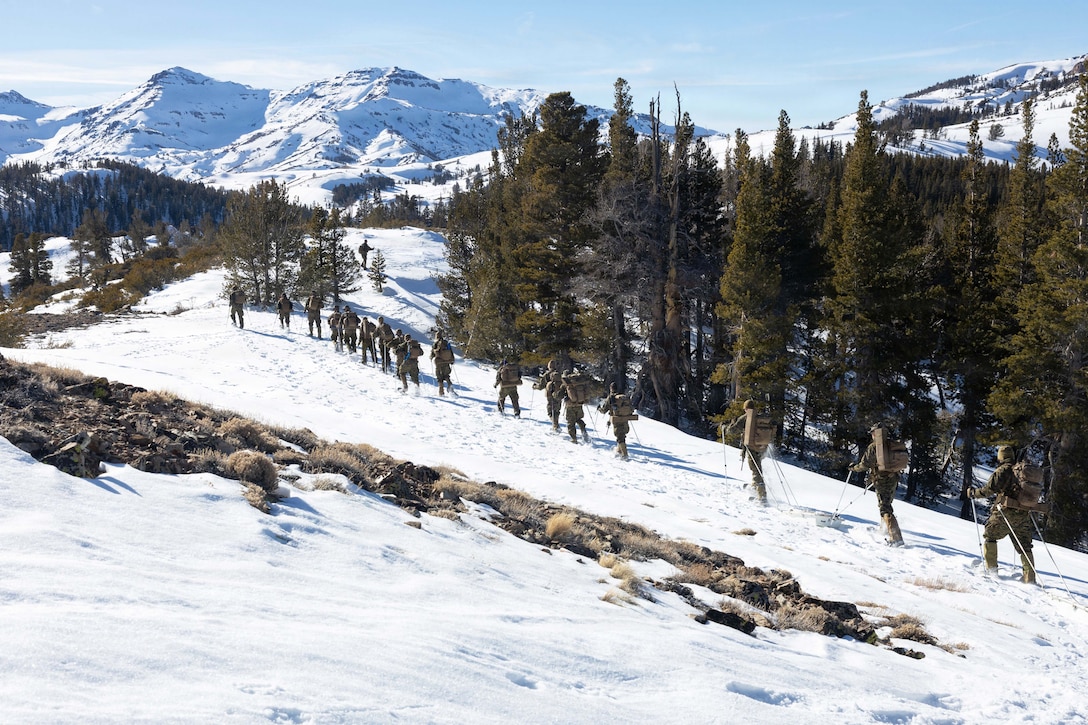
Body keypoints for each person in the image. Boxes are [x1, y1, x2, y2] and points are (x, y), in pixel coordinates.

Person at [968, 445, 1037, 583]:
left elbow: (989, 489)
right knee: (1024, 546)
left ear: (1001, 456)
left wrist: (973, 493)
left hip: (1005, 512)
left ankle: (991, 570)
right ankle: (1029, 578)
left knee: (990, 535)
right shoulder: (1022, 471)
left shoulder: (1003, 470)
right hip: (1023, 513)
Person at [851, 422, 904, 546]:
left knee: (885, 508)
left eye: (872, 433)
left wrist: (854, 468)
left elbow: (865, 464)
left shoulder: (874, 446)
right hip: (893, 478)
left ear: (875, 433)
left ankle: (896, 538)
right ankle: (884, 530)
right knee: (887, 503)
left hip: (881, 480)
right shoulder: (891, 443)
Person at [725, 399, 768, 504]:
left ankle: (762, 496)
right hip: (762, 447)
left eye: (745, 408)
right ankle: (754, 488)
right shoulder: (760, 417)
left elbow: (732, 431)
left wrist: (727, 426)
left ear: (746, 408)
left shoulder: (746, 418)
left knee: (755, 471)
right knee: (757, 468)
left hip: (751, 447)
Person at [598, 383, 634, 459]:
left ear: (611, 388)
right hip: (625, 419)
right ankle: (619, 451)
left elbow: (604, 410)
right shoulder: (623, 397)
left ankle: (625, 455)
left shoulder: (611, 398)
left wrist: (599, 409)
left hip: (617, 420)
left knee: (620, 437)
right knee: (622, 436)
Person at [562, 371, 589, 443]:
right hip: (579, 405)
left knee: (571, 423)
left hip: (570, 406)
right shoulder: (579, 383)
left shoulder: (566, 384)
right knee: (579, 419)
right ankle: (584, 432)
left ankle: (574, 438)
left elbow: (559, 395)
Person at [431, 331, 455, 395]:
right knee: (446, 375)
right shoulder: (446, 343)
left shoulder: (435, 343)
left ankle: (441, 392)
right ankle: (450, 386)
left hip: (439, 362)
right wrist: (452, 360)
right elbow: (451, 352)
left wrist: (431, 357)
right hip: (447, 362)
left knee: (439, 378)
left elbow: (433, 353)